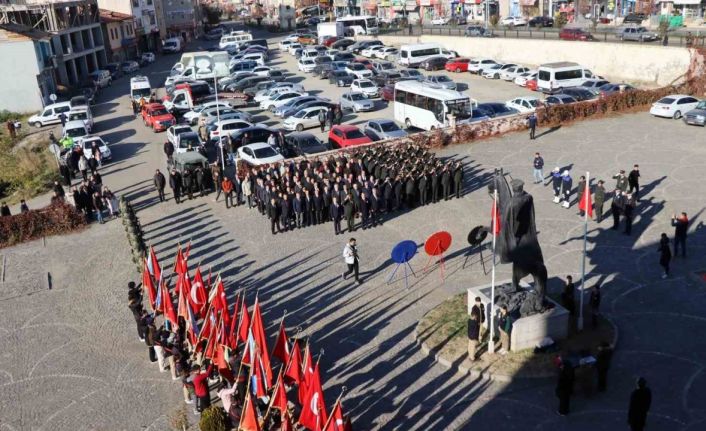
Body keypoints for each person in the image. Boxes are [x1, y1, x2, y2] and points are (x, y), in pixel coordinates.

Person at [467, 297, 484, 361]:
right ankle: (472, 357)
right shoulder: (474, 308)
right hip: (474, 333)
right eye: (477, 301)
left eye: (479, 301)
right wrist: (476, 336)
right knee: (473, 345)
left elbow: (482, 313)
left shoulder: (470, 320)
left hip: (478, 325)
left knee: (471, 343)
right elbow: (475, 330)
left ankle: (470, 354)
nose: (479, 303)